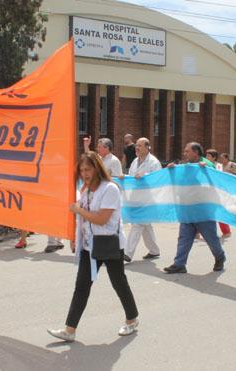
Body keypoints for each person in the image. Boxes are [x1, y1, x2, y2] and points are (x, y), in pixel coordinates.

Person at [47, 152, 138, 342]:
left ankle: (132, 319)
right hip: (89, 246)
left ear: (97, 168)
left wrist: (78, 209)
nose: (84, 173)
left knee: (119, 283)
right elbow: (82, 220)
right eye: (81, 170)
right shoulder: (86, 190)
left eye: (87, 169)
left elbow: (102, 219)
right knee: (81, 287)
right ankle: (69, 330)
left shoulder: (110, 189)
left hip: (109, 244)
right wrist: (75, 238)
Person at [163, 143, 227, 274]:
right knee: (184, 238)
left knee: (211, 238)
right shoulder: (185, 167)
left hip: (204, 211)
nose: (184, 154)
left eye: (187, 151)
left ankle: (220, 257)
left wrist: (206, 170)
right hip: (187, 210)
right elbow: (180, 182)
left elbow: (215, 180)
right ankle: (179, 264)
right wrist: (172, 170)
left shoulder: (207, 164)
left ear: (196, 153)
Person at [122, 137, 162, 262]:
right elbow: (134, 178)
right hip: (137, 199)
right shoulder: (135, 161)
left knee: (138, 224)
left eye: (139, 146)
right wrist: (125, 177)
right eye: (136, 146)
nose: (137, 148)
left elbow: (158, 180)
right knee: (145, 226)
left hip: (148, 201)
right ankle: (154, 251)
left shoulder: (154, 162)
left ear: (147, 147)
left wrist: (145, 177)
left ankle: (127, 253)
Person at [206, 149, 231, 239]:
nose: (206, 158)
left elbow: (218, 178)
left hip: (217, 193)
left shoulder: (218, 166)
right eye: (206, 156)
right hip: (207, 192)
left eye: (208, 156)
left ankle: (226, 231)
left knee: (220, 212)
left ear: (214, 157)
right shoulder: (204, 165)